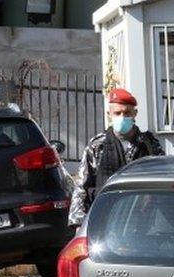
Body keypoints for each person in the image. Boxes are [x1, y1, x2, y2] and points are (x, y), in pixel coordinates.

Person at [68, 87, 164, 228]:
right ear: (109, 114)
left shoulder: (149, 144)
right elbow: (82, 186)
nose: (122, 117)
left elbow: (162, 181)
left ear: (135, 114)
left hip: (143, 223)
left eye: (127, 113)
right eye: (117, 113)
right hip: (106, 222)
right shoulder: (98, 145)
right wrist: (79, 224)